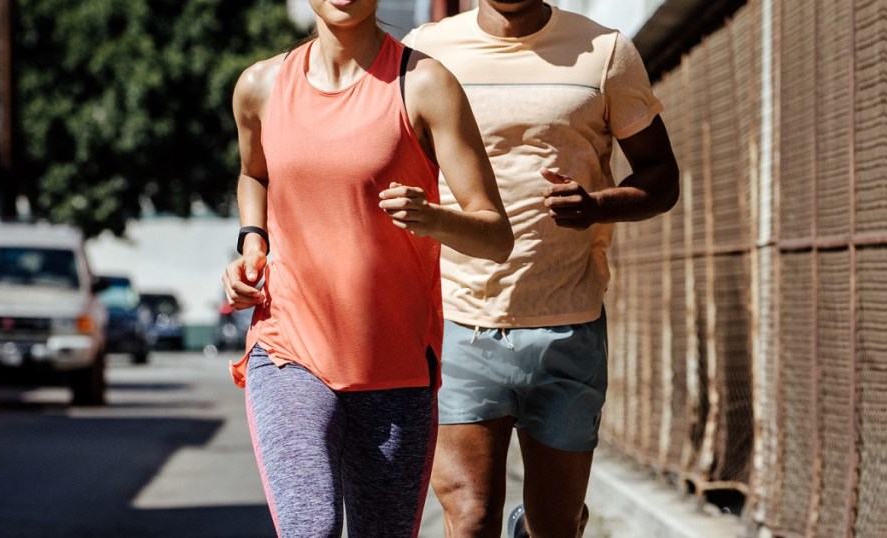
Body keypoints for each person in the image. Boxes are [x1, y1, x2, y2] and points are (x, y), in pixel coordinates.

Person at [222, 0, 513, 535]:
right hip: (288, 349)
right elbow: (253, 172)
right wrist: (252, 240)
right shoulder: (260, 86)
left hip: (395, 363)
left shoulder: (424, 85)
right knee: (311, 528)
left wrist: (432, 218)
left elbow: (496, 235)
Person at [403, 1, 680, 537]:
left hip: (567, 322)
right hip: (457, 316)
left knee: (556, 526)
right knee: (471, 516)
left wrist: (599, 205)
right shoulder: (425, 52)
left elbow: (662, 176)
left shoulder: (605, 53)